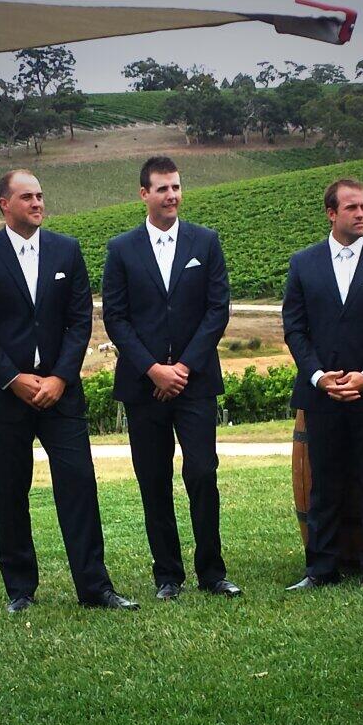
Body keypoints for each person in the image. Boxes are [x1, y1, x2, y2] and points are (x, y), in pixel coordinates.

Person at [0, 169, 138, 613]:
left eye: (40, 196)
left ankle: (95, 589)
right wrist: (14, 379)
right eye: (27, 197)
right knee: (10, 492)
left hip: (61, 395)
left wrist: (60, 377)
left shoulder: (67, 250)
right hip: (4, 397)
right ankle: (20, 590)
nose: (38, 203)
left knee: (79, 487)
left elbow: (80, 321)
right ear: (4, 203)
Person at [102, 156, 241, 601]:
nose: (172, 195)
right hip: (143, 386)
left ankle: (212, 572)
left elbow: (218, 309)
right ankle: (167, 576)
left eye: (177, 187)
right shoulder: (120, 249)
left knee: (202, 472)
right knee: (153, 478)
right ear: (144, 194)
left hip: (195, 382)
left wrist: (182, 368)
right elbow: (116, 318)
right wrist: (152, 369)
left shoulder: (206, 241)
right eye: (162, 188)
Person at [282, 178, 363, 590]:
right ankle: (321, 568)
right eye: (352, 207)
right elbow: (294, 329)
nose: (361, 214)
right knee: (324, 481)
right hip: (322, 394)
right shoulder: (302, 263)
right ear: (331, 213)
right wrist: (319, 377)